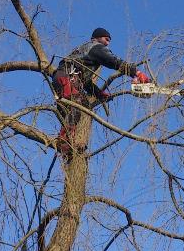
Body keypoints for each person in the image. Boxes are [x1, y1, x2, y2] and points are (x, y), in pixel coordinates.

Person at [52, 28, 150, 156]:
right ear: (96, 38)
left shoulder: (85, 53)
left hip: (65, 78)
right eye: (106, 39)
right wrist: (135, 72)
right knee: (75, 107)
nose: (107, 43)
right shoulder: (96, 47)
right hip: (66, 78)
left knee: (79, 107)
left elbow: (85, 82)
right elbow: (112, 60)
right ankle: (65, 143)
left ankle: (67, 147)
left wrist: (99, 94)